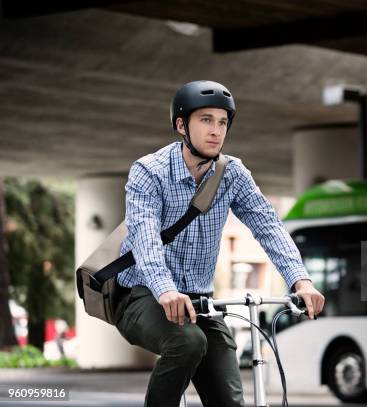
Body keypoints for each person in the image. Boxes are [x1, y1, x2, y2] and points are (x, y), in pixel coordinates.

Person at [113, 80, 325, 407]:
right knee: (187, 342)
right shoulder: (149, 171)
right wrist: (165, 289)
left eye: (223, 122)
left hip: (201, 303)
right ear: (181, 125)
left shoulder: (232, 174)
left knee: (228, 394)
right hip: (142, 296)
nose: (216, 130)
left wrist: (301, 280)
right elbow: (144, 237)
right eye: (206, 120)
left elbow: (267, 224)